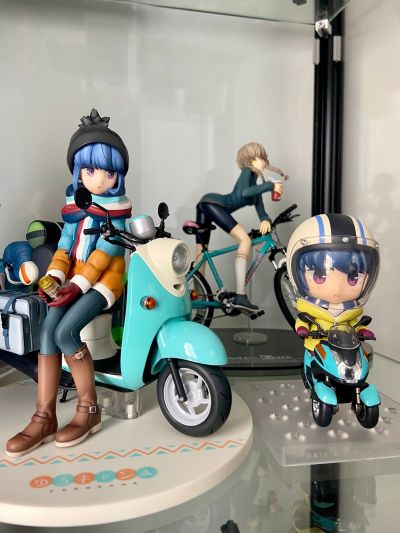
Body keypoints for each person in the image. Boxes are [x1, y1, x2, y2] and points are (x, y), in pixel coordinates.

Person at [6, 109, 132, 457]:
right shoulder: (75, 207)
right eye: (90, 170)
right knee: (47, 331)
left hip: (103, 283)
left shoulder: (118, 211)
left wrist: (76, 287)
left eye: (108, 172)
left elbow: (103, 257)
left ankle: (89, 410)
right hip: (72, 281)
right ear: (77, 171)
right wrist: (54, 277)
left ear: (118, 175)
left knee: (65, 333)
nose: (98, 179)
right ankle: (44, 417)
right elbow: (64, 248)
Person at [195, 142, 287, 314]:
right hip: (213, 204)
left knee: (201, 256)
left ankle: (200, 311)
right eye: (261, 158)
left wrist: (265, 220)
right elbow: (245, 193)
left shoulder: (254, 184)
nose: (264, 162)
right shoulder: (247, 172)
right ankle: (240, 296)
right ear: (251, 160)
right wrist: (270, 186)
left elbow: (260, 209)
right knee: (244, 240)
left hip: (207, 204)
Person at [285, 213, 380, 353]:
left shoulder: (349, 312)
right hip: (317, 347)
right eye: (319, 276)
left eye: (353, 278)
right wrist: (303, 328)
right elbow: (302, 321)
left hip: (347, 347)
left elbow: (355, 324)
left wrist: (362, 330)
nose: (337, 289)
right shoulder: (310, 312)